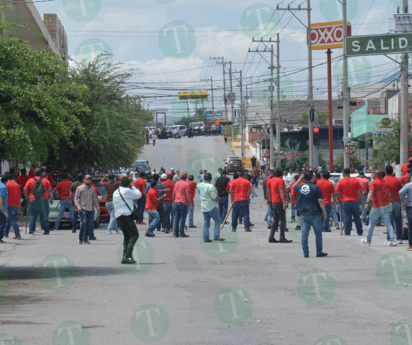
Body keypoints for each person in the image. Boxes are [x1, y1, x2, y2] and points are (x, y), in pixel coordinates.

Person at [294, 172, 328, 258]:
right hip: (315, 213)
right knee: (318, 233)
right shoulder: (316, 188)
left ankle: (305, 253)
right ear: (312, 178)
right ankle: (319, 252)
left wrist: (299, 179)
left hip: (304, 213)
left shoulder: (301, 187)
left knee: (304, 234)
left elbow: (294, 186)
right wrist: (324, 211)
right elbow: (320, 201)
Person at [361, 170, 396, 247]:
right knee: (388, 224)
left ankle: (368, 240)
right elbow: (389, 194)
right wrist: (389, 201)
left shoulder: (374, 182)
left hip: (376, 206)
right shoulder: (386, 183)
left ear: (376, 175)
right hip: (386, 205)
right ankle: (392, 240)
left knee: (371, 223)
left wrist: (367, 203)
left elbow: (371, 192)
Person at [113, 177, 142, 264]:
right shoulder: (126, 191)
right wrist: (133, 186)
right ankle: (128, 255)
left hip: (118, 217)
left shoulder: (116, 191)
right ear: (128, 184)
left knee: (127, 236)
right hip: (125, 216)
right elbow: (138, 195)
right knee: (135, 235)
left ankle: (124, 255)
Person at [24, 168, 53, 235]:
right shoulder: (45, 180)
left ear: (34, 173)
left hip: (33, 200)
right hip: (43, 200)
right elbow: (49, 190)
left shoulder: (30, 180)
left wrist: (27, 197)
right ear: (41, 173)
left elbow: (25, 190)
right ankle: (46, 230)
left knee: (32, 215)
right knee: (44, 215)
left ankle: (31, 230)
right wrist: (51, 198)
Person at [197, 173, 224, 242]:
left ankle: (205, 238)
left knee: (206, 223)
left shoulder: (200, 185)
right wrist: (218, 198)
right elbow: (214, 197)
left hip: (204, 206)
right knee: (218, 220)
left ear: (204, 178)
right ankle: (216, 236)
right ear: (211, 179)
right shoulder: (211, 186)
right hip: (211, 206)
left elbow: (198, 190)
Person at [266, 170, 292, 243]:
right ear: (281, 175)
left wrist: (268, 199)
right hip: (279, 201)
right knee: (282, 220)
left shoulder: (270, 180)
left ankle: (271, 237)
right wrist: (284, 202)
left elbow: (267, 191)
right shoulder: (280, 180)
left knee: (275, 220)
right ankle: (282, 237)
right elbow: (281, 191)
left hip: (273, 202)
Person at [335, 168, 363, 236]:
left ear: (344, 173)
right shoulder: (355, 181)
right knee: (357, 216)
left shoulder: (341, 181)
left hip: (345, 201)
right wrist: (360, 199)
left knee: (347, 217)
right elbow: (359, 191)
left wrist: (337, 199)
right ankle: (359, 231)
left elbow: (337, 192)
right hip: (355, 201)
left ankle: (347, 231)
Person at [74, 175, 100, 244]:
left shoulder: (92, 189)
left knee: (89, 224)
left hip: (90, 208)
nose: (89, 180)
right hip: (82, 208)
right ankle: (80, 238)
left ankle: (85, 239)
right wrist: (78, 206)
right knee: (83, 222)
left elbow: (94, 198)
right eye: (87, 179)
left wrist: (97, 207)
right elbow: (76, 198)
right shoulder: (80, 188)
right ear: (84, 180)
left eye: (90, 179)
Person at [384, 165, 403, 244]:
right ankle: (399, 238)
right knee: (398, 220)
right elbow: (401, 191)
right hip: (397, 202)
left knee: (389, 221)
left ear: (385, 172)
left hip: (387, 203)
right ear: (392, 172)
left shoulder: (383, 180)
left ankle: (390, 238)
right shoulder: (397, 180)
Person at [173, 172, 192, 238]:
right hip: (183, 203)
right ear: (186, 177)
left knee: (176, 218)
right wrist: (191, 204)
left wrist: (173, 202)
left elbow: (174, 193)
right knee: (182, 219)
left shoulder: (176, 183)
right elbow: (187, 194)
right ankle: (181, 233)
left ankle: (176, 233)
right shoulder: (186, 184)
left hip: (176, 202)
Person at [4, 173, 21, 239]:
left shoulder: (6, 185)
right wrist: (19, 205)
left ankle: (17, 234)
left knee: (12, 220)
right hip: (16, 204)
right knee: (9, 219)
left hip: (9, 204)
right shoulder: (17, 185)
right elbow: (19, 195)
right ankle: (5, 233)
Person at [399, 177, 412, 251]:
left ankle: (410, 245)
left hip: (411, 207)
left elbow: (401, 192)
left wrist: (404, 201)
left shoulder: (409, 185)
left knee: (410, 227)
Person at [0, 175, 8, 243]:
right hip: (0, 208)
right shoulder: (3, 187)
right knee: (3, 223)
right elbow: (1, 198)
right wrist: (2, 208)